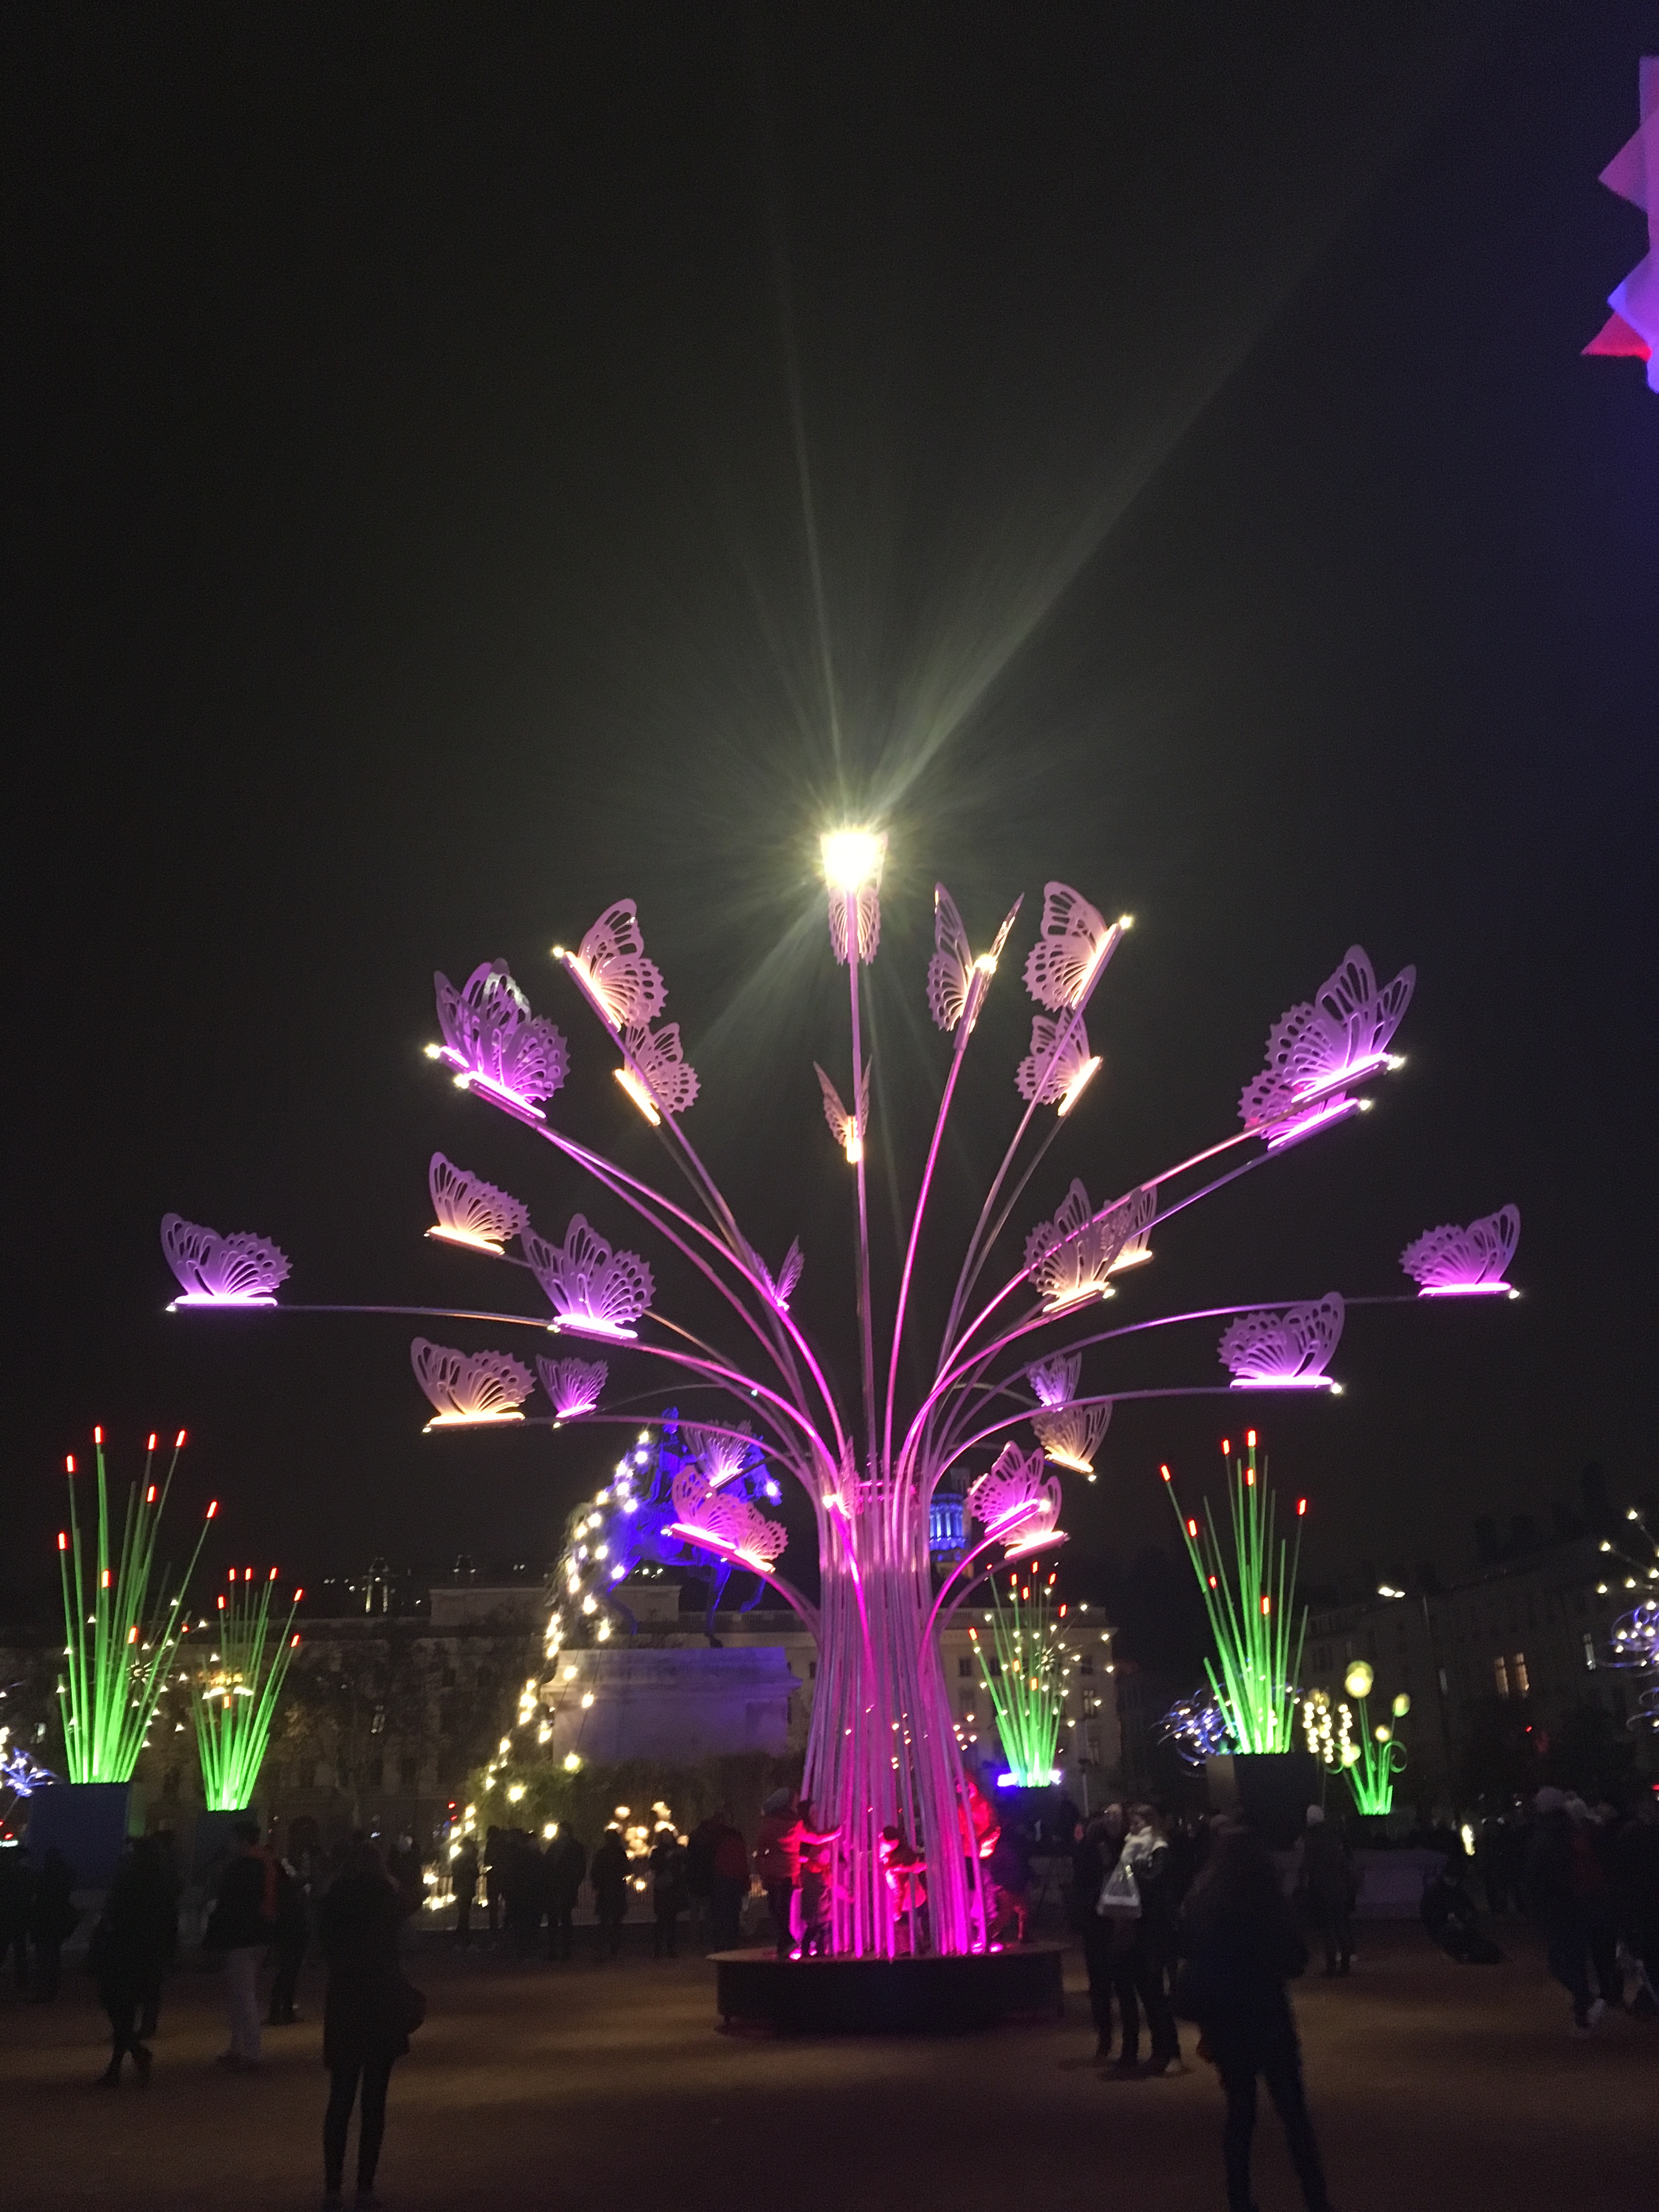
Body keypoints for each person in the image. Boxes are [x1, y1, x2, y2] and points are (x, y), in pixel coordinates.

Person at [1177, 1821, 1334, 2212]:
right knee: (1293, 2114)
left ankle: (1240, 2200)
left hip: (1227, 2020)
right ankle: (1316, 2199)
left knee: (1240, 2115)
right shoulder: (1266, 1902)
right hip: (1267, 2015)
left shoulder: (1205, 1902)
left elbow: (1190, 1954)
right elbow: (1295, 1959)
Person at [319, 1841, 420, 2210]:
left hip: (345, 2000)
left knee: (340, 2098)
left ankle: (332, 2187)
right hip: (380, 2000)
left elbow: (324, 1950)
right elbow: (408, 1946)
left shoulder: (333, 1901)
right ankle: (365, 2186)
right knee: (374, 2101)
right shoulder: (389, 1902)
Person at [87, 1839, 175, 2086]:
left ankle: (126, 2059)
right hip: (149, 1954)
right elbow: (170, 1922)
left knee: (118, 2010)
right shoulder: (163, 1883)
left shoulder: (127, 1879)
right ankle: (130, 2055)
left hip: (122, 1952)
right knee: (129, 2010)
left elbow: (112, 1915)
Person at [1525, 1786, 1604, 2035]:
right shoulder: (1572, 1830)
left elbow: (1539, 1874)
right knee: (1576, 1958)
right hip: (1581, 1902)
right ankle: (1584, 2011)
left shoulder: (1545, 1834)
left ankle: (1585, 2002)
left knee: (1561, 1960)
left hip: (1559, 1905)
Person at [1110, 1805, 1181, 2075]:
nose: (1132, 1825)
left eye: (1136, 1820)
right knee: (1145, 1993)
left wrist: (1134, 1871)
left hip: (1152, 1930)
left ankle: (1167, 2051)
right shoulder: (1135, 1848)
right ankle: (1156, 2051)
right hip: (1136, 1929)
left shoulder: (1159, 1849)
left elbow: (1155, 1883)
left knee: (1154, 1996)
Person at [203, 1819, 274, 2069]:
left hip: (242, 1935)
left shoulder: (242, 1866)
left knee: (243, 1994)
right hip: (262, 1931)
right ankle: (240, 2047)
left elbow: (229, 1903)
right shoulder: (266, 1861)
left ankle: (251, 2052)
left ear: (241, 1840)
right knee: (243, 1992)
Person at [1074, 1810, 1122, 2060]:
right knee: (1121, 1982)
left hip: (1096, 1923)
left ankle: (1105, 2040)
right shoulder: (1117, 1852)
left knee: (1100, 1983)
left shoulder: (1086, 1853)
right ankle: (1126, 2046)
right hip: (1115, 1921)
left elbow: (1079, 1886)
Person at [1297, 1806, 1355, 1978]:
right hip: (1339, 1886)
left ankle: (1332, 1964)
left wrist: (1303, 1884)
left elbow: (1307, 1864)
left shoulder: (1312, 1837)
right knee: (1340, 1924)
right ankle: (1345, 1963)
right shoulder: (1335, 1836)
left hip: (1322, 1887)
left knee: (1327, 1926)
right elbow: (1346, 1860)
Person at [754, 1787, 803, 1959]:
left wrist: (761, 1869)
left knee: (775, 1909)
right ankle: (785, 1944)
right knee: (785, 1909)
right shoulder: (796, 1824)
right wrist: (831, 1834)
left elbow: (761, 1850)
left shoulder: (768, 1824)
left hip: (774, 1872)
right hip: (790, 1872)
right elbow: (812, 1837)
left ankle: (786, 1941)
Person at [29, 1845, 76, 2002]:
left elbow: (38, 1899)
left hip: (44, 1922)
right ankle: (51, 1990)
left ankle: (44, 1991)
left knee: (43, 1958)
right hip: (56, 1922)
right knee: (53, 1956)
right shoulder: (64, 1877)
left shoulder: (44, 1878)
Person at [268, 1852, 309, 2024]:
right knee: (289, 1972)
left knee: (285, 1972)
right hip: (295, 1932)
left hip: (287, 1932)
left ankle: (279, 2010)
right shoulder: (288, 1887)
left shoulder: (278, 1887)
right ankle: (283, 2010)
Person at [797, 1801, 836, 1957]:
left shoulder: (813, 1830)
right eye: (812, 1812)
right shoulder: (804, 1832)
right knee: (817, 1917)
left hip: (821, 1877)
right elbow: (802, 1854)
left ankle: (819, 1949)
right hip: (812, 1878)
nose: (815, 1815)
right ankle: (807, 1948)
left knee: (824, 1917)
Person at [543, 1826, 586, 1960]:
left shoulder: (556, 1847)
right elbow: (581, 1867)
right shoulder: (575, 1847)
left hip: (558, 1887)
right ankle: (564, 1950)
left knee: (557, 1919)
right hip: (565, 1887)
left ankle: (556, 1950)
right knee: (564, 1919)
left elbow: (547, 1864)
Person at [708, 1812, 749, 1950]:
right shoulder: (732, 1838)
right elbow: (741, 1860)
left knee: (724, 1915)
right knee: (731, 1915)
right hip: (730, 1880)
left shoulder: (716, 1838)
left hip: (724, 1880)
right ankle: (729, 1944)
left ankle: (723, 1944)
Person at [589, 1828, 630, 1959]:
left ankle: (602, 1949)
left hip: (606, 1891)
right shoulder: (620, 1853)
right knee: (616, 1923)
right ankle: (614, 1949)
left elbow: (595, 1872)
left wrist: (598, 1884)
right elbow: (627, 1869)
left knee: (604, 1922)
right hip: (617, 1890)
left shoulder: (602, 1853)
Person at [650, 1826, 688, 1958]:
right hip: (666, 1888)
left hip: (670, 1889)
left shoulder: (676, 1851)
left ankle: (669, 1948)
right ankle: (659, 1949)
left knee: (670, 1920)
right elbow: (654, 1866)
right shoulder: (660, 1852)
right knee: (663, 1920)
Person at [0, 1844, 33, 1993]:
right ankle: (22, 1982)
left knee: (8, 1950)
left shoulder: (9, 1875)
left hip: (8, 1919)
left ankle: (22, 1982)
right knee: (19, 1952)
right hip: (17, 1919)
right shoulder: (23, 1875)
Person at [450, 1838, 479, 1949]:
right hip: (466, 1889)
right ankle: (463, 1939)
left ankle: (459, 1938)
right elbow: (475, 1874)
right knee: (464, 1915)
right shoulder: (469, 1860)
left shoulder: (458, 1860)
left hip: (461, 1889)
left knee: (463, 1914)